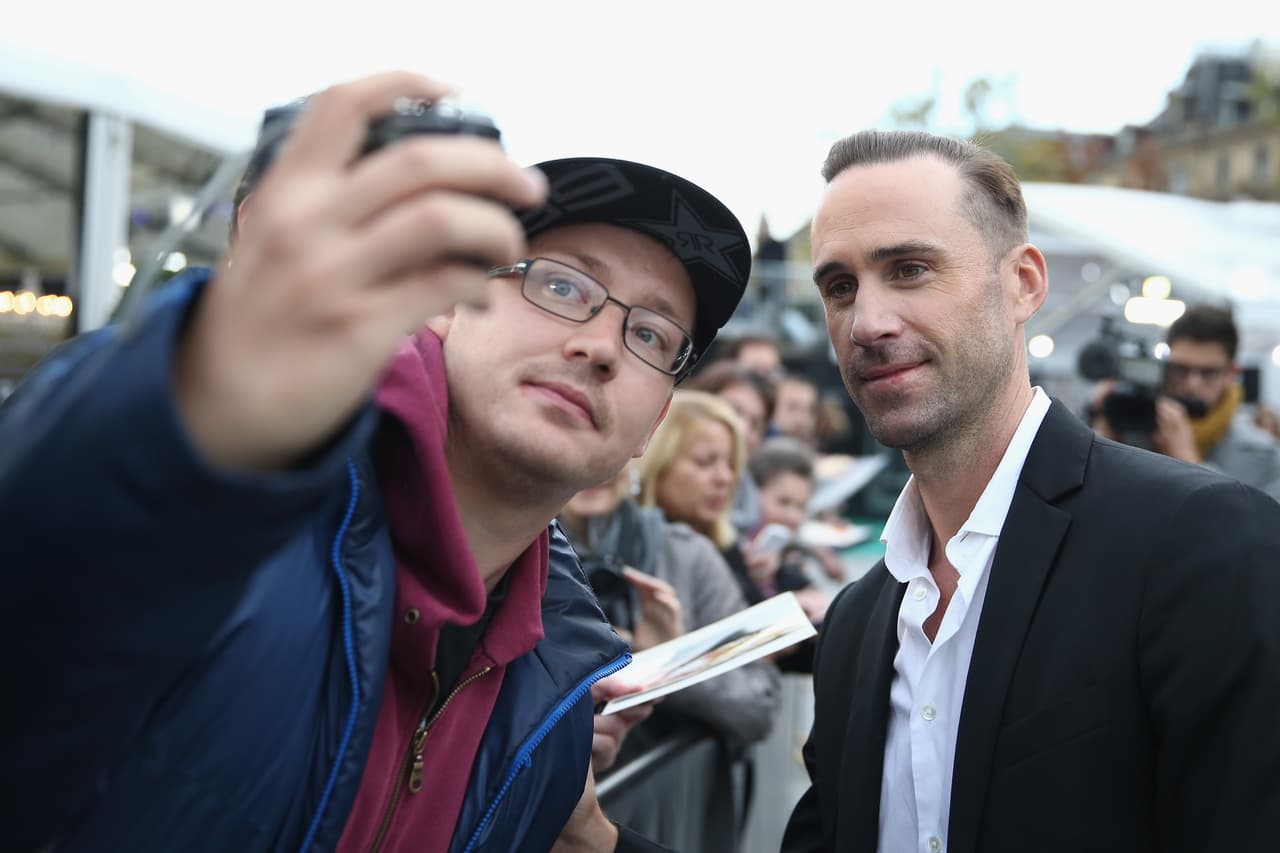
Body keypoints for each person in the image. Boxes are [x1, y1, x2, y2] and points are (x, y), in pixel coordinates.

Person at [0, 72, 752, 853]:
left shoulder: (558, 705)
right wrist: (194, 397)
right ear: (448, 302)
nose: (599, 345)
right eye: (561, 284)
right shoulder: (237, 517)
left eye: (652, 334)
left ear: (653, 422)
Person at [775, 130, 1280, 853]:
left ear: (1023, 283)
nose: (867, 322)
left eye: (910, 269)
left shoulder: (1200, 544)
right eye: (839, 287)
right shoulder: (856, 625)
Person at [558, 462, 780, 748]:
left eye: (605, 443)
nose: (592, 464)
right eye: (705, 460)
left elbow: (759, 706)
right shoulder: (521, 555)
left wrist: (671, 662)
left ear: (638, 452)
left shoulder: (686, 554)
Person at [1092, 304, 1280, 501]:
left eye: (1208, 373)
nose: (1192, 384)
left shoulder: (1266, 458)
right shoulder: (1132, 427)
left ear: (1232, 374)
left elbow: (1257, 521)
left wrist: (1189, 462)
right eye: (1180, 369)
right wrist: (1101, 440)